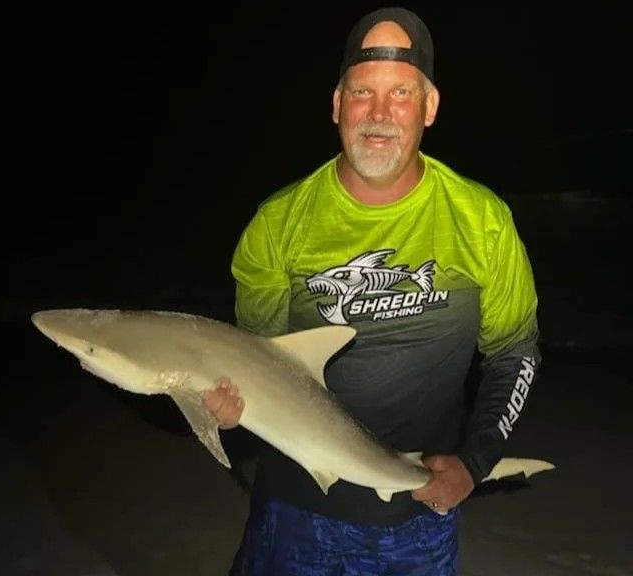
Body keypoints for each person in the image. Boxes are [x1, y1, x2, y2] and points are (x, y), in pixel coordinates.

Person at [205, 6, 541, 575]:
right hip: (294, 510)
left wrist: (474, 462)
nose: (379, 114)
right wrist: (225, 408)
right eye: (363, 92)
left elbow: (515, 354)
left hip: (418, 513)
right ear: (338, 104)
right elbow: (256, 359)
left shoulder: (482, 220)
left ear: (430, 106)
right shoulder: (278, 223)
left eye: (401, 94)